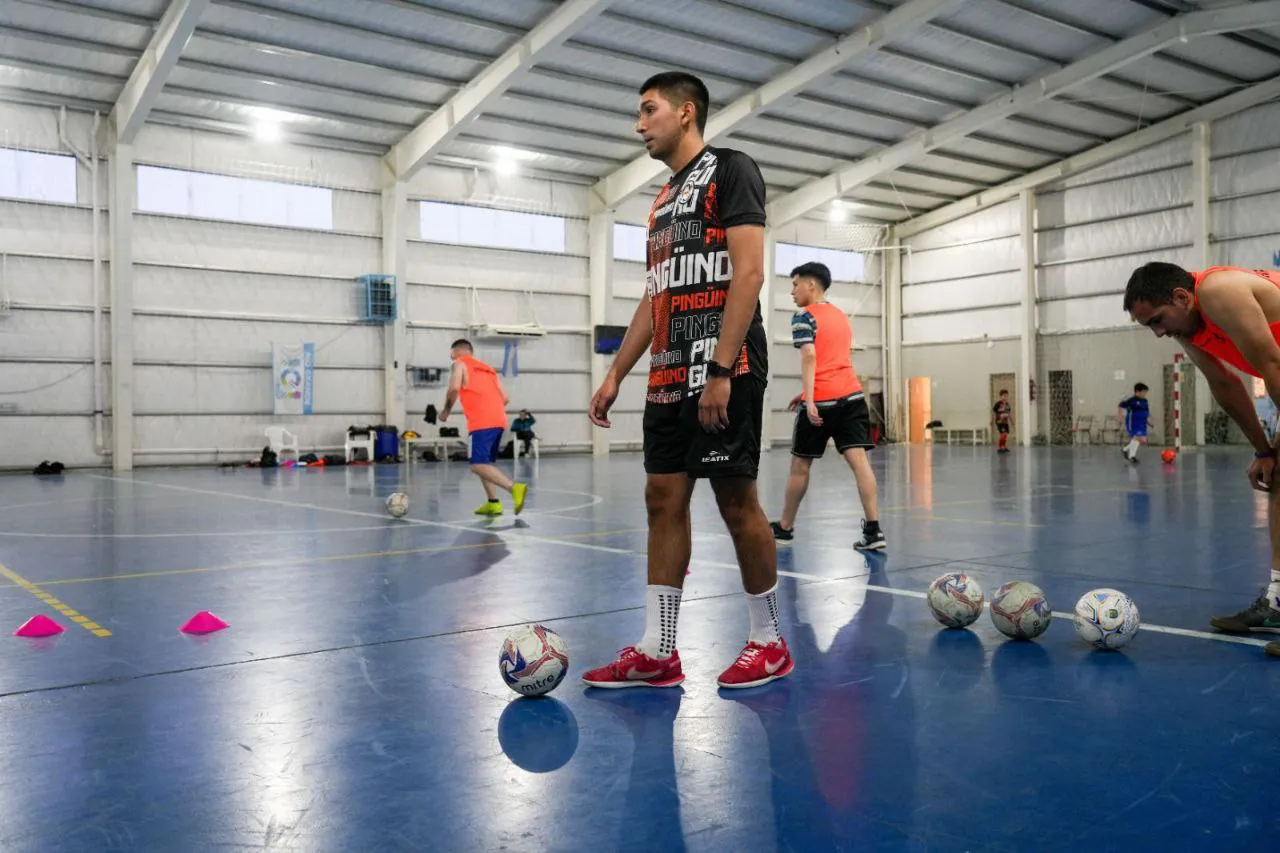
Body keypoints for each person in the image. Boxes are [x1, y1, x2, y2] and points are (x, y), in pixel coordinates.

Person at [582, 70, 792, 689]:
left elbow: (748, 275)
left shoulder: (731, 169)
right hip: (667, 376)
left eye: (648, 110)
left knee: (736, 502)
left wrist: (722, 370)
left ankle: (769, 640)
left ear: (686, 112)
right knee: (662, 500)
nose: (639, 124)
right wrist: (616, 372)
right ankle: (660, 649)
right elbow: (656, 294)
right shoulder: (660, 199)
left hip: (726, 368)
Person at [1124, 262, 1280, 657]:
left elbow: (1272, 364)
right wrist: (1264, 451)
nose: (1160, 332)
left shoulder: (1219, 290)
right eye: (1150, 327)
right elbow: (1224, 383)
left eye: (1158, 320)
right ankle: (1278, 601)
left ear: (1181, 297)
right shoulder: (1189, 323)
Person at [770, 261, 884, 551]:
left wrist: (810, 399)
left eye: (795, 284)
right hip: (852, 398)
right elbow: (833, 360)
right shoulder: (840, 316)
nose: (792, 291)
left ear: (811, 284)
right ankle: (874, 532)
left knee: (800, 466)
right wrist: (804, 391)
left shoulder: (803, 316)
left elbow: (810, 356)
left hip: (821, 403)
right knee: (860, 464)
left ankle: (784, 528)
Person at [439, 339, 528, 516]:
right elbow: (505, 398)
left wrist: (446, 411)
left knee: (477, 465)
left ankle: (514, 488)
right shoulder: (487, 369)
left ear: (454, 351)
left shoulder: (459, 363)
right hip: (498, 419)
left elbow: (454, 388)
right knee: (485, 463)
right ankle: (493, 503)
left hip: (481, 422)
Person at [1117, 382, 1151, 463]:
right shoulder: (1131, 400)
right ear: (1137, 392)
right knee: (1141, 439)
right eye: (1143, 392)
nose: (1145, 394)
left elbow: (1146, 412)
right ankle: (1130, 454)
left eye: (1146, 392)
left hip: (1142, 423)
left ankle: (1127, 451)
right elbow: (1121, 406)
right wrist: (1120, 417)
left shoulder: (1145, 401)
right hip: (1133, 422)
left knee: (1139, 440)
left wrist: (1148, 421)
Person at [991, 390, 1013, 454]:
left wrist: (1012, 421)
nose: (1005, 397)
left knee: (1005, 434)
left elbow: (1008, 414)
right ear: (1001, 396)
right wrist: (992, 420)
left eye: (1006, 396)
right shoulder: (998, 404)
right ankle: (1000, 447)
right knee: (1003, 434)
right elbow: (993, 413)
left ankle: (1004, 446)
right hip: (999, 421)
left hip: (1005, 422)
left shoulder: (1007, 404)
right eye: (1004, 396)